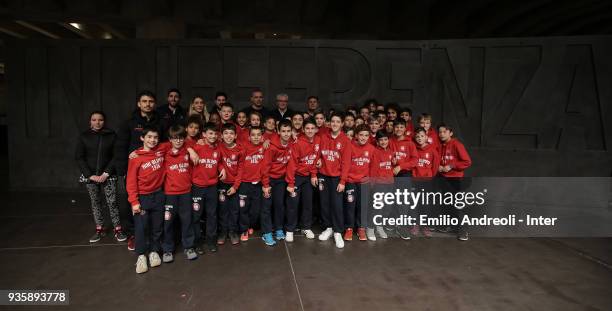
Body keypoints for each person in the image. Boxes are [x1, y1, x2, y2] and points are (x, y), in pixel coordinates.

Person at [116, 90, 162, 251]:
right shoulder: (129, 123)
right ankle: (133, 236)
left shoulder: (159, 121)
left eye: (150, 101)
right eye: (144, 101)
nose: (148, 104)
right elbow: (121, 147)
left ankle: (153, 237)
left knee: (154, 210)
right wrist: (123, 170)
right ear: (139, 104)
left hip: (153, 170)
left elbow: (164, 144)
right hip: (134, 169)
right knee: (133, 204)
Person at [76, 111, 126, 243]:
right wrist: (90, 175)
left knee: (112, 202)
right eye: (94, 120)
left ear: (105, 121)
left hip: (108, 175)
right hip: (90, 177)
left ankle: (117, 229)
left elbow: (116, 155)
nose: (97, 122)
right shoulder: (84, 136)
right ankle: (99, 228)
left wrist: (106, 173)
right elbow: (79, 157)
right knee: (96, 202)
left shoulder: (111, 135)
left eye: (100, 120)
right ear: (90, 121)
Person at [126, 127, 165, 274]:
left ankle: (154, 251)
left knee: (157, 226)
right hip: (142, 197)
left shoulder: (161, 150)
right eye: (149, 137)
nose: (152, 140)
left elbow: (180, 142)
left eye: (155, 137)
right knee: (141, 228)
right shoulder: (136, 157)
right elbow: (131, 181)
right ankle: (141, 255)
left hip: (159, 195)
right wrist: (134, 201)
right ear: (142, 138)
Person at [161, 125, 199, 262]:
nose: (178, 141)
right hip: (170, 193)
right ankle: (167, 250)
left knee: (187, 220)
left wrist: (190, 149)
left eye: (181, 138)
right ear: (170, 139)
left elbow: (190, 142)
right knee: (168, 222)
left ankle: (189, 246)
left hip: (186, 192)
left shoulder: (187, 151)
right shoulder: (165, 151)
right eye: (175, 138)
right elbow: (154, 147)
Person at [317, 113, 351, 249]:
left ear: (342, 124)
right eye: (333, 121)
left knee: (337, 205)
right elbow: (317, 153)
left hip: (337, 177)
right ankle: (329, 228)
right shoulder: (323, 137)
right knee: (324, 204)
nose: (335, 124)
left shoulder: (345, 140)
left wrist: (343, 181)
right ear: (329, 123)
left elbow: (346, 163)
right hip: (323, 176)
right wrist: (319, 159)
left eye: (338, 121)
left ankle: (337, 231)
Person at [285, 119, 319, 242]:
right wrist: (290, 182)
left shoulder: (318, 141)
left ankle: (306, 227)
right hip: (296, 177)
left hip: (308, 177)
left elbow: (315, 159)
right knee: (293, 204)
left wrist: (314, 174)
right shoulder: (298, 143)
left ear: (316, 129)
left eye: (312, 128)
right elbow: (292, 164)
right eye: (307, 128)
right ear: (303, 130)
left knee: (308, 203)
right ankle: (290, 229)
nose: (310, 131)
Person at [239, 126, 274, 245]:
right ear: (249, 137)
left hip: (258, 184)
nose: (256, 137)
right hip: (244, 183)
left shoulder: (264, 147)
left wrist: (268, 141)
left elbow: (276, 139)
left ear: (262, 137)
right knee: (244, 208)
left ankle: (250, 225)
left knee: (255, 209)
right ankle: (244, 230)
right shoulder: (244, 146)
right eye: (253, 135)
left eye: (259, 135)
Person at [437, 123, 472, 241]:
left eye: (444, 132)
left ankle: (463, 231)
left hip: (455, 179)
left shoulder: (457, 144)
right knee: (446, 204)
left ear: (450, 133)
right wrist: (439, 167)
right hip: (443, 178)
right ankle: (450, 226)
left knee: (457, 205)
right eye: (440, 132)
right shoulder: (441, 145)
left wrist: (452, 166)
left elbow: (467, 162)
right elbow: (439, 160)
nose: (441, 134)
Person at [191, 123, 222, 254]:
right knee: (196, 216)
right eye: (210, 133)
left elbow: (219, 162)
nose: (213, 136)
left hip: (212, 187)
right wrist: (191, 150)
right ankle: (197, 242)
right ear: (204, 134)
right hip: (197, 187)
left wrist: (222, 168)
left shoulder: (217, 149)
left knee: (212, 215)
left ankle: (211, 240)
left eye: (215, 134)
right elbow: (182, 146)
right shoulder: (197, 146)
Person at [344, 124, 376, 241]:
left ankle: (361, 228)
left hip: (364, 182)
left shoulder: (372, 149)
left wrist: (371, 181)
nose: (363, 138)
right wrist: (346, 179)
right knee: (350, 205)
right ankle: (349, 228)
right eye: (361, 135)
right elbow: (346, 164)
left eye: (366, 135)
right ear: (356, 135)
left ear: (369, 137)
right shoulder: (350, 146)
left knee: (362, 206)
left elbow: (373, 167)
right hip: (351, 181)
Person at [262, 120, 292, 240]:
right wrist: (265, 184)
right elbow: (265, 167)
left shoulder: (292, 144)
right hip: (269, 179)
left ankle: (279, 228)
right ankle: (267, 232)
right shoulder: (271, 147)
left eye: (288, 131)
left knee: (279, 205)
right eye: (283, 131)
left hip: (280, 180)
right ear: (278, 131)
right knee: (267, 206)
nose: (286, 134)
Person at [217, 123, 244, 246]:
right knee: (223, 210)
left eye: (231, 133)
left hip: (234, 185)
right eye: (226, 133)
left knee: (234, 210)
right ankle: (223, 231)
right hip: (222, 185)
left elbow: (241, 169)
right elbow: (216, 161)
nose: (229, 136)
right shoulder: (218, 147)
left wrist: (235, 186)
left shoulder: (240, 149)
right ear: (221, 136)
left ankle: (232, 231)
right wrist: (221, 167)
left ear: (235, 135)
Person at [410, 127, 440, 238]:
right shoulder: (413, 149)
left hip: (427, 181)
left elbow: (435, 166)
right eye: (417, 136)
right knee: (414, 204)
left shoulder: (432, 150)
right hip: (414, 181)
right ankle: (415, 224)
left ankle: (425, 225)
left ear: (426, 137)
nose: (419, 138)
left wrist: (430, 176)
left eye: (422, 136)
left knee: (425, 204)